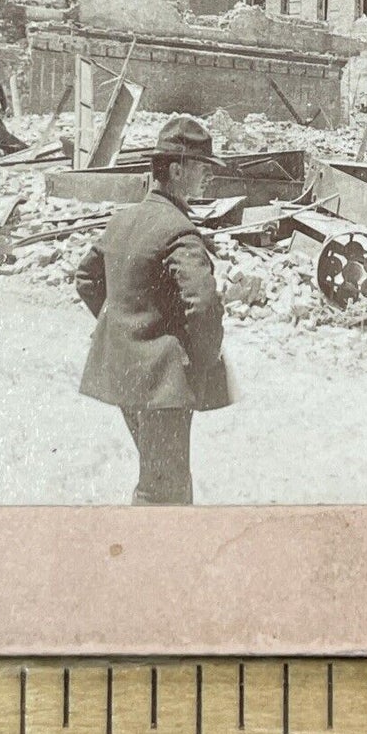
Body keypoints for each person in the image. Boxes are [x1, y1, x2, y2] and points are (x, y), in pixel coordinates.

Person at [74, 116, 232, 504]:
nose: (207, 178)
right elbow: (204, 305)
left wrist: (127, 328)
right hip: (163, 384)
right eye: (201, 169)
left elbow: (86, 279)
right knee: (164, 492)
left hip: (125, 376)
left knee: (156, 475)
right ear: (176, 171)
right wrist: (199, 359)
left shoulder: (122, 220)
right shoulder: (180, 231)